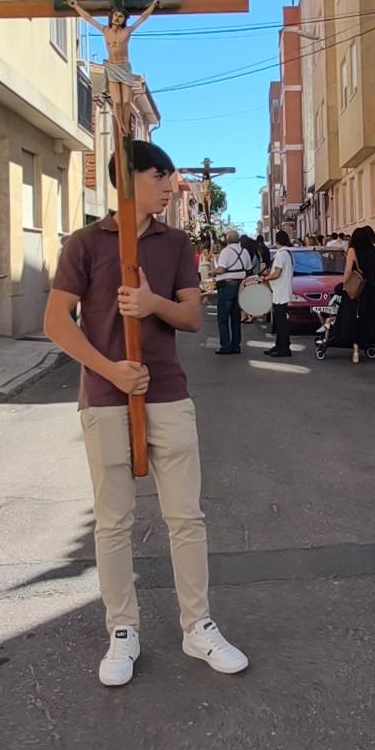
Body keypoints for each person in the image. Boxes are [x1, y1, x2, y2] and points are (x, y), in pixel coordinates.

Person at [45, 139, 249, 687]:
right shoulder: (85, 244)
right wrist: (108, 370)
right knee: (114, 521)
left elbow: (191, 317)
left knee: (186, 518)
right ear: (130, 179)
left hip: (168, 395)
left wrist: (153, 303)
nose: (170, 185)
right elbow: (57, 322)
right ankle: (122, 629)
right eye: (161, 175)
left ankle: (197, 624)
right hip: (108, 399)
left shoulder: (176, 241)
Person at [345, 225, 375, 364]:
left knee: (358, 319)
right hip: (373, 288)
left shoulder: (352, 251)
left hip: (360, 289)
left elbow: (348, 271)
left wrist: (344, 284)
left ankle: (356, 352)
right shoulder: (374, 250)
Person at [212, 229, 250, 354]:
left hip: (227, 285)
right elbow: (249, 267)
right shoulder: (244, 252)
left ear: (227, 239)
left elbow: (222, 269)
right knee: (235, 316)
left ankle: (226, 345)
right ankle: (236, 345)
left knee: (223, 317)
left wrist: (214, 272)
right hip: (240, 286)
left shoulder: (226, 252)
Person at [262, 230, 295, 357]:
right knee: (279, 321)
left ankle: (284, 348)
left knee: (281, 323)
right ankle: (279, 345)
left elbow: (277, 273)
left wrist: (266, 278)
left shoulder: (281, 255)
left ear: (276, 241)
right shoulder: (287, 253)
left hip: (280, 293)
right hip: (281, 292)